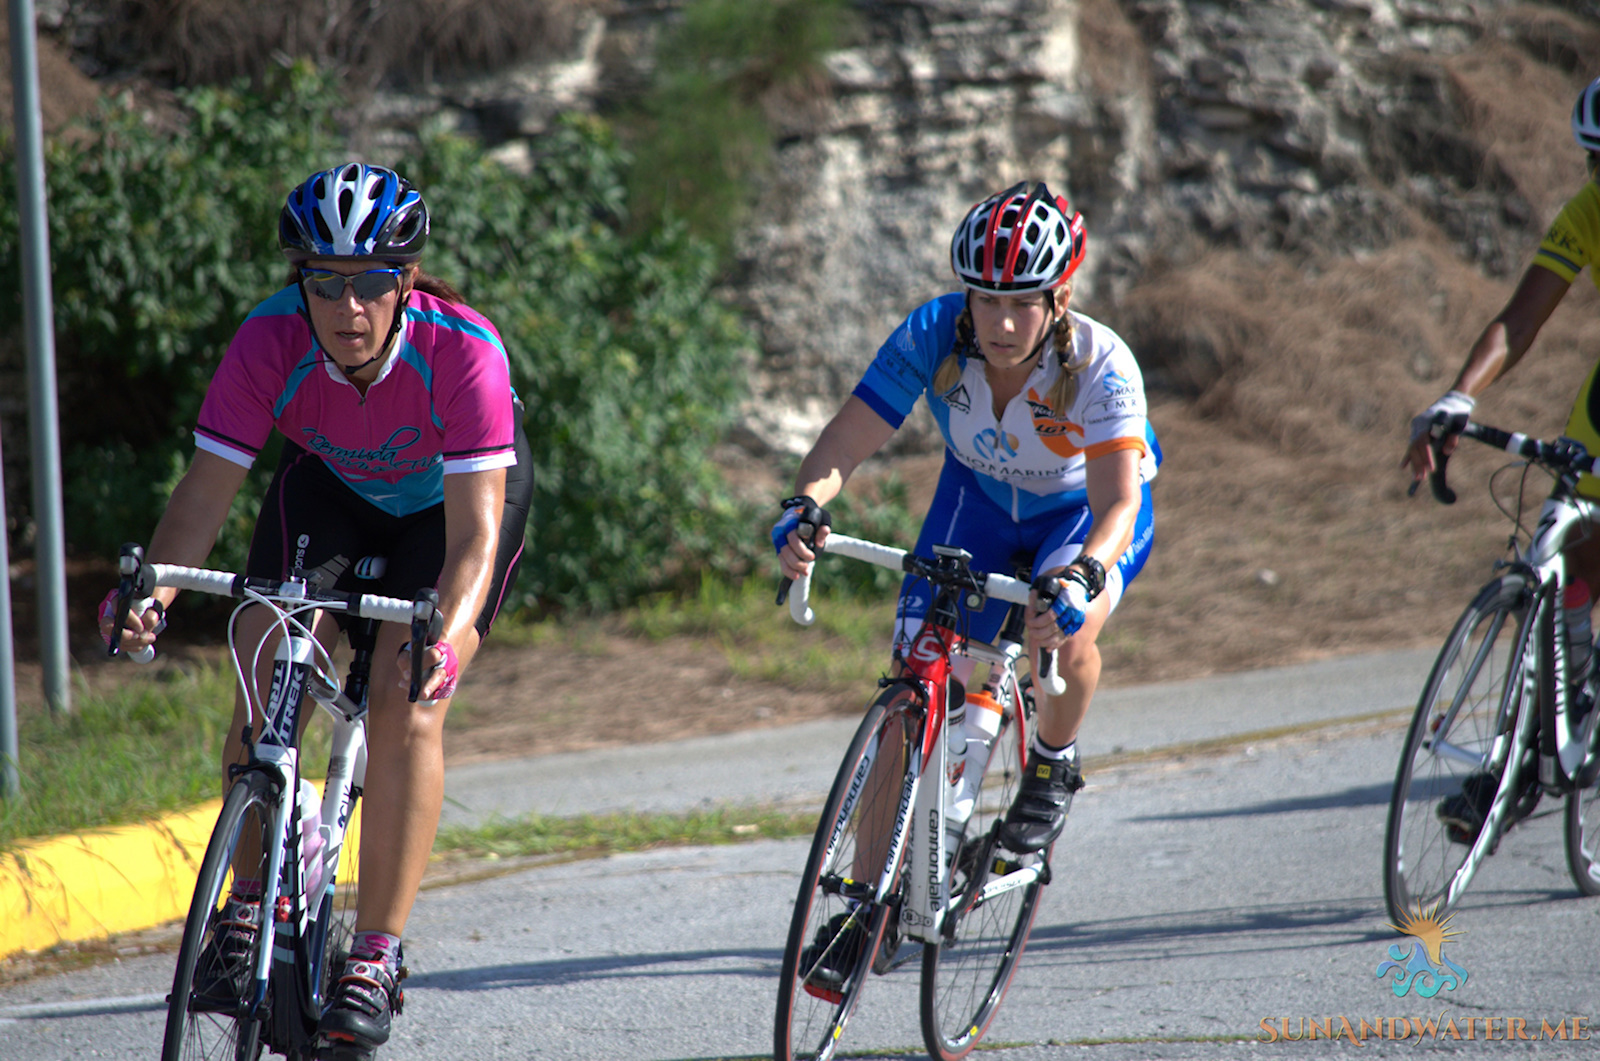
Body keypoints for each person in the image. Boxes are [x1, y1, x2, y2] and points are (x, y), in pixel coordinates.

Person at [97, 162, 532, 1055]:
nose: (348, 307)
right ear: (300, 283)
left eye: (371, 281)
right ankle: (248, 906)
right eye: (324, 283)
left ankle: (376, 953)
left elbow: (475, 541)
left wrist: (445, 643)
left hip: (450, 513)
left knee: (408, 699)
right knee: (262, 649)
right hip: (330, 488)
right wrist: (155, 591)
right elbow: (206, 493)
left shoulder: (465, 351)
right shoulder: (266, 342)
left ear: (404, 281)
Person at [773, 180, 1159, 987]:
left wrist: (1085, 572)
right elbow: (850, 434)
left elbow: (1119, 499)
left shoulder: (1099, 362)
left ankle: (1052, 760)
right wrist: (807, 503)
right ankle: (866, 913)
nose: (1002, 322)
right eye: (986, 299)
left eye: (1023, 302)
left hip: (1075, 517)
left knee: (1066, 624)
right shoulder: (932, 331)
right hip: (975, 504)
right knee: (914, 683)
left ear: (1061, 296)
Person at [1401, 77, 1600, 841]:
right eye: (1596, 163)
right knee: (1563, 545)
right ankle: (1532, 751)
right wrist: (1458, 396)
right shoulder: (1590, 211)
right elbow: (1518, 323)